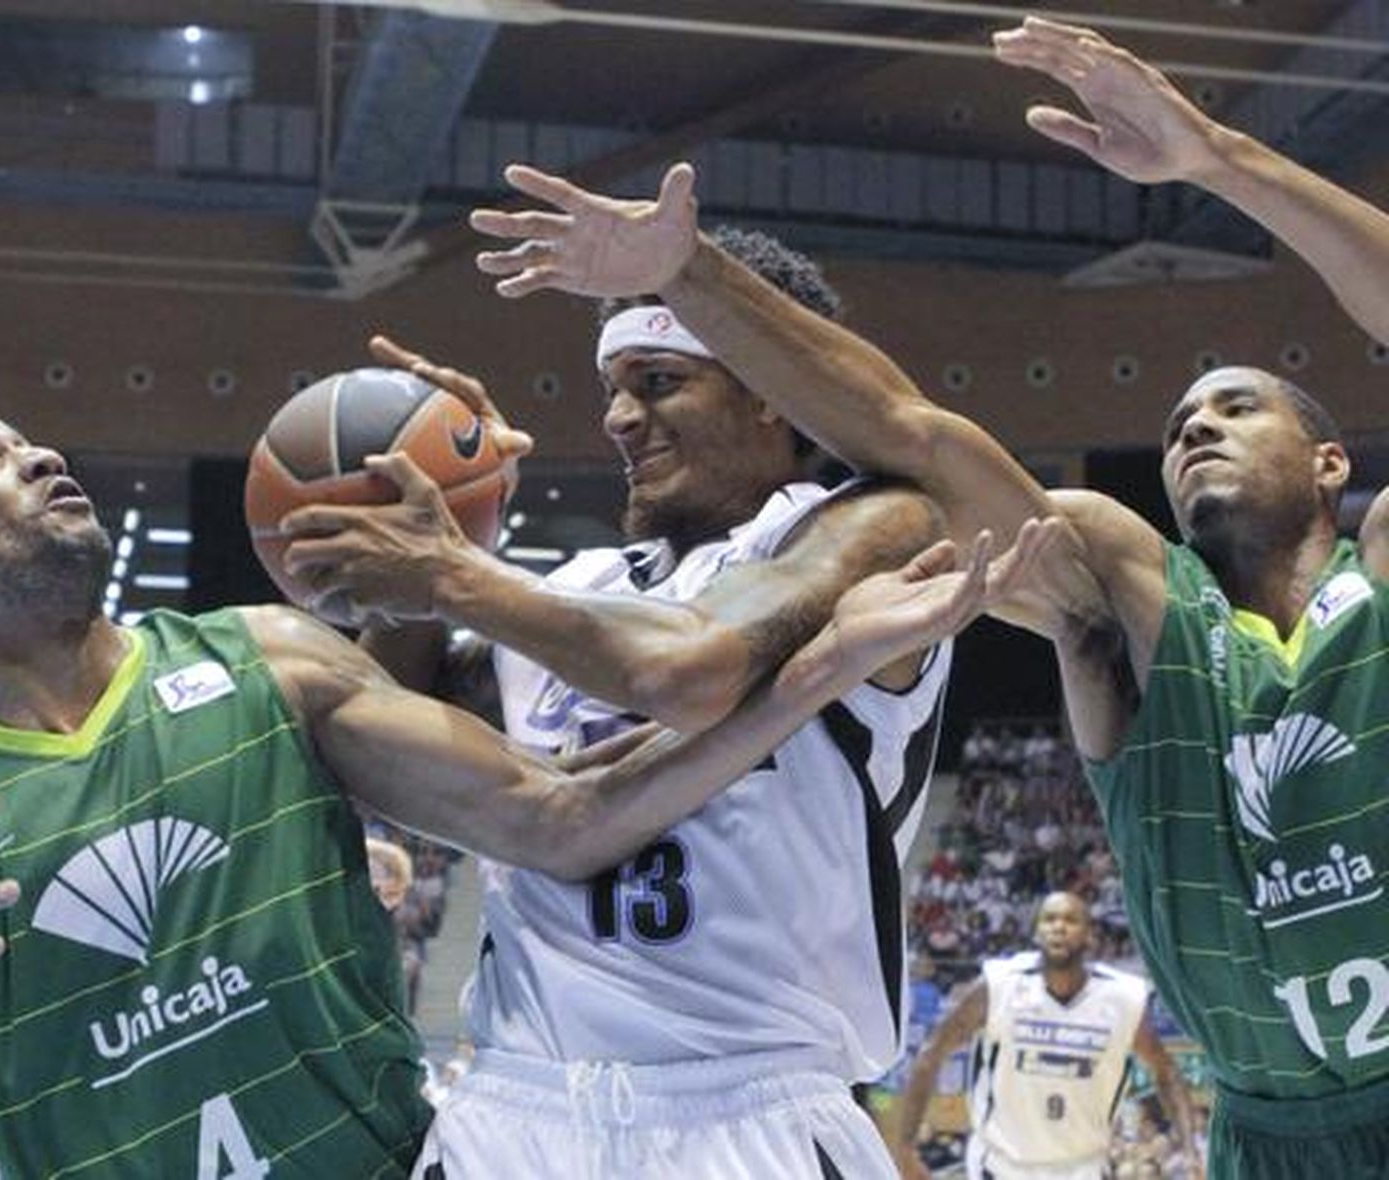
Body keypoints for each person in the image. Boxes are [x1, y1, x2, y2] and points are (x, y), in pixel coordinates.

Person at [465, 14, 1389, 1177]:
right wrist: (683, 275)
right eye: (1175, 424)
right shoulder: (1122, 599)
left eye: (1236, 407)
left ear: (1331, 460)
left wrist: (1217, 158)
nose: (1196, 426)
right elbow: (915, 437)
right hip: (1266, 1132)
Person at [0, 407, 1048, 1180]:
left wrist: (811, 676)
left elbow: (558, 820)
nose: (40, 454)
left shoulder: (270, 661)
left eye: (29, 441)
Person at [281, 229, 969, 1178]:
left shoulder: (874, 529)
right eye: (613, 390)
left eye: (658, 383)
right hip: (515, 1109)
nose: (617, 418)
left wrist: (452, 575)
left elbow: (687, 670)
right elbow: (394, 735)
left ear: (770, 387)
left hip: (751, 1108)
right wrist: (460, 517)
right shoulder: (576, 591)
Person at [891, 892, 1199, 1180]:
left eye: (1070, 920)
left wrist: (1190, 1149)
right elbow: (932, 1054)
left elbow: (1167, 1072)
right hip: (1000, 1166)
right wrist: (905, 1145)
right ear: (1037, 932)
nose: (1058, 927)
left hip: (1085, 1167)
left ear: (1089, 934)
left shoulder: (1122, 998)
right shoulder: (999, 986)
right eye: (1049, 919)